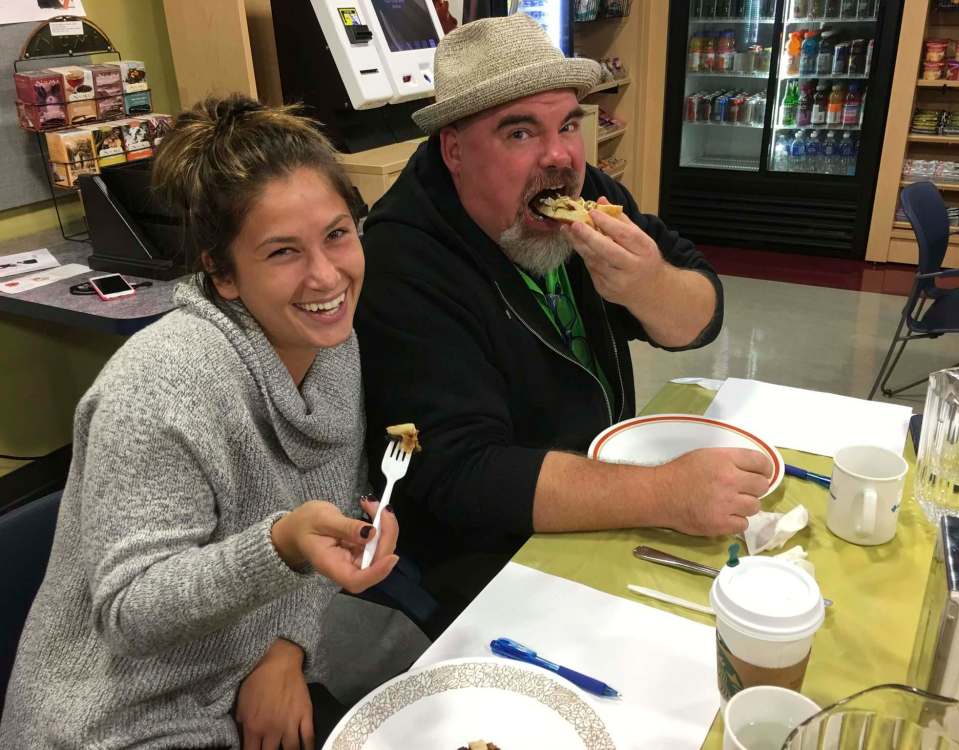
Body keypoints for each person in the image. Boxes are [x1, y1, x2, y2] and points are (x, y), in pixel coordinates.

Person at [0, 95, 404, 750]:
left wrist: (285, 649)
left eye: (336, 233)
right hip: (114, 718)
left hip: (240, 668)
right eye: (282, 253)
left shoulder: (332, 344)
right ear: (222, 273)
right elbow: (131, 613)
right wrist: (280, 546)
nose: (327, 275)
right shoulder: (159, 391)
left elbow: (324, 510)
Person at [356, 15, 772, 621]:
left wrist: (650, 284)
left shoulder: (587, 191)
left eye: (569, 124)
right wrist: (664, 493)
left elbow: (699, 316)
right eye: (520, 133)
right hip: (492, 568)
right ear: (454, 150)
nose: (559, 156)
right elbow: (460, 475)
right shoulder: (402, 261)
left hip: (608, 502)